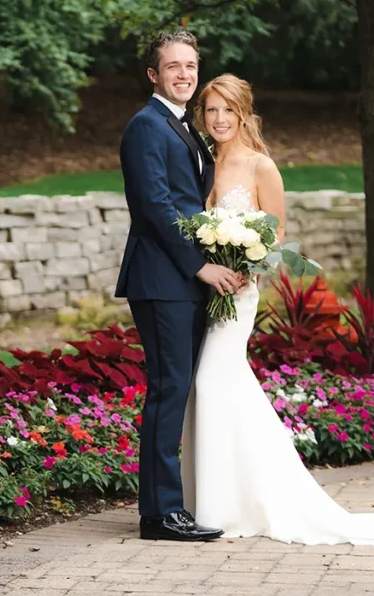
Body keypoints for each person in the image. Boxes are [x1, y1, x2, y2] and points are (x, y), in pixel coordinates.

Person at [181, 73, 374, 545]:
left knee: (210, 380)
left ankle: (227, 509)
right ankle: (221, 500)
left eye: (227, 109)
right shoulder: (203, 161)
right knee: (218, 386)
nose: (219, 119)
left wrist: (244, 265)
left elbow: (275, 235)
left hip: (239, 291)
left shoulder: (260, 165)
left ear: (244, 113)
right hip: (206, 290)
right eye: (211, 110)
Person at [114, 31, 241, 542]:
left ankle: (169, 506)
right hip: (163, 279)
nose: (184, 74)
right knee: (169, 391)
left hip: (182, 281)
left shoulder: (181, 127)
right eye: (173, 67)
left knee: (177, 390)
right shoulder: (146, 126)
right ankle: (161, 514)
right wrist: (201, 267)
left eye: (190, 65)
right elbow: (155, 208)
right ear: (153, 74)